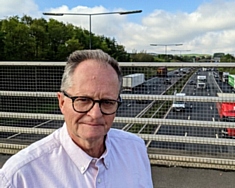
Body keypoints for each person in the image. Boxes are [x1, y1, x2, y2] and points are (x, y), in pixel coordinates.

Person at [0, 49, 153, 187]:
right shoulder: (20, 177)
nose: (95, 114)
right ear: (61, 102)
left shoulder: (135, 150)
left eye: (107, 102)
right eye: (83, 100)